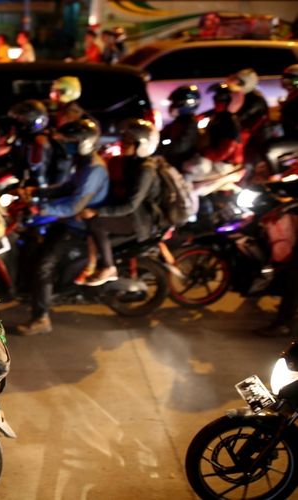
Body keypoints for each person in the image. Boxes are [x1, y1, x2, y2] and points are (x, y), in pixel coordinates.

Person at [16, 118, 109, 335]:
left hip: (79, 227)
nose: (66, 145)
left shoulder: (94, 169)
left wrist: (41, 209)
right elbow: (67, 187)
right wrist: (38, 192)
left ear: (84, 142)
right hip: (68, 221)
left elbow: (74, 205)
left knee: (44, 265)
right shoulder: (85, 162)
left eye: (70, 141)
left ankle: (41, 318)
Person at [79, 119, 162, 286]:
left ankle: (109, 268)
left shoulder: (145, 170)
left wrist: (97, 212)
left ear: (142, 145)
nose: (123, 144)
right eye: (123, 140)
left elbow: (131, 205)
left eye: (128, 142)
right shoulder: (127, 163)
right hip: (127, 214)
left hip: (138, 221)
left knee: (96, 223)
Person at [184, 83, 243, 181]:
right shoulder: (219, 116)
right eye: (216, 98)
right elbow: (202, 116)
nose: (217, 101)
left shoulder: (230, 122)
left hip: (223, 166)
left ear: (231, 101)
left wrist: (202, 152)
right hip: (214, 160)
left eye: (221, 99)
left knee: (187, 177)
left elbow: (222, 153)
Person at [5, 99, 71, 188]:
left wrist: (33, 191)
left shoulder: (39, 142)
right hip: (17, 174)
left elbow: (38, 172)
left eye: (22, 119)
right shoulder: (26, 136)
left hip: (35, 187)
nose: (18, 121)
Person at [159, 85, 202, 170]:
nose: (172, 106)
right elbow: (162, 135)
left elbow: (179, 146)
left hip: (180, 165)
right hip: (172, 161)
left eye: (176, 103)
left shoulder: (190, 124)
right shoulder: (178, 122)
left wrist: (159, 151)